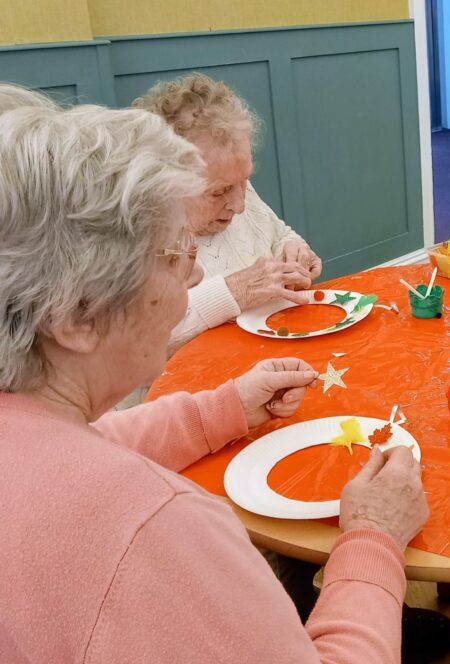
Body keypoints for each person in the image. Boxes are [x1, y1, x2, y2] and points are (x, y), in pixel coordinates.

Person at [0, 88, 427, 663]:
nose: (197, 268)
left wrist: (221, 408)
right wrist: (373, 538)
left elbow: (86, 447)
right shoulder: (157, 532)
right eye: (174, 253)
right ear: (77, 314)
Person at [133, 73, 322, 352]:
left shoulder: (229, 180)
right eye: (218, 192)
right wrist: (233, 291)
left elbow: (277, 233)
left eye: (244, 181)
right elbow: (139, 339)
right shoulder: (135, 231)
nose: (239, 205)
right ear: (164, 185)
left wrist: (294, 250)